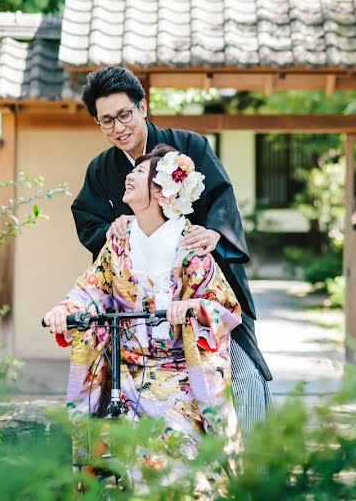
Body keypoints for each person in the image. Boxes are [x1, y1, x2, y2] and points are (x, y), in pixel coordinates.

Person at [70, 66, 271, 433]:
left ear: (142, 107)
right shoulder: (101, 170)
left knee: (244, 385)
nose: (118, 128)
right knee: (103, 396)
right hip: (140, 316)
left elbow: (221, 197)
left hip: (200, 292)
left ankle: (252, 476)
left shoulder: (189, 147)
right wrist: (110, 232)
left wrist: (214, 234)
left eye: (124, 115)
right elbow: (89, 220)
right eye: (106, 121)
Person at [44, 144, 241, 457]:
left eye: (138, 172)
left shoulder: (190, 245)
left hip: (179, 379)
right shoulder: (119, 240)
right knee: (107, 449)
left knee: (174, 451)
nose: (129, 177)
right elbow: (92, 289)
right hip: (125, 375)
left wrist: (191, 308)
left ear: (161, 190)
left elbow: (225, 307)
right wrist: (64, 310)